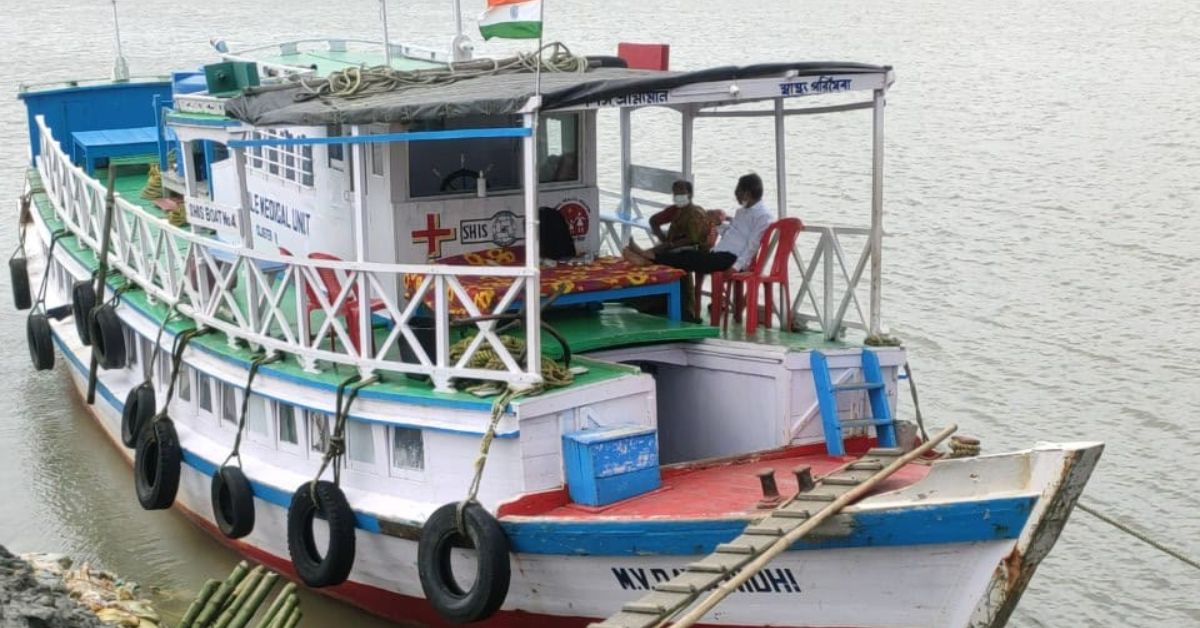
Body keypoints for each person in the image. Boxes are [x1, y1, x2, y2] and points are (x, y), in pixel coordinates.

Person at [624, 173, 771, 275]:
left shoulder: (763, 216)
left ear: (747, 193)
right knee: (687, 255)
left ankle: (648, 256)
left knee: (691, 258)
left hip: (733, 258)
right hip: (721, 253)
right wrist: (717, 223)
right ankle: (648, 258)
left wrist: (736, 267)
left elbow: (753, 245)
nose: (736, 196)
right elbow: (731, 233)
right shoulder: (742, 212)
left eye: (738, 192)